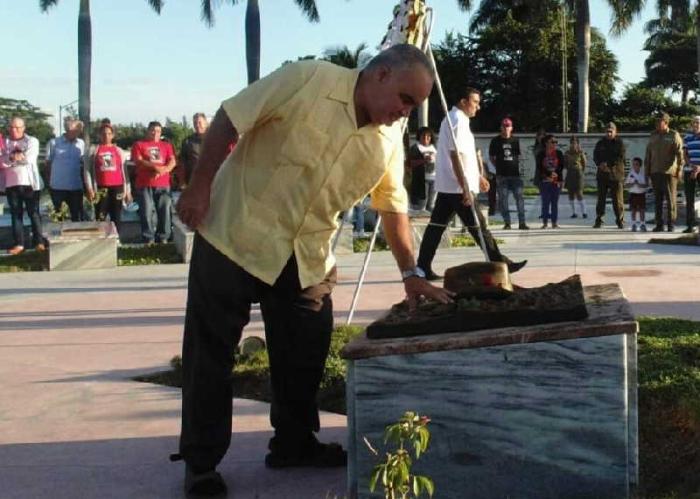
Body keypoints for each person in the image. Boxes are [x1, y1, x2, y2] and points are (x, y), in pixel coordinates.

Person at [173, 44, 453, 496]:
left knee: (305, 354)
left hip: (306, 258)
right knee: (210, 356)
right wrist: (199, 186)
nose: (405, 112)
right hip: (234, 236)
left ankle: (294, 444)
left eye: (412, 105)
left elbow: (392, 204)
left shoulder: (388, 139)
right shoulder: (307, 80)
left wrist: (410, 273)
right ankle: (201, 464)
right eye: (403, 99)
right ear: (379, 74)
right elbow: (230, 117)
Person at [416, 87, 527, 281]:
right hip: (458, 187)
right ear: (463, 101)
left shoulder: (458, 120)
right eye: (475, 102)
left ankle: (423, 266)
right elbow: (455, 156)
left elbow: (466, 155)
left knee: (436, 227)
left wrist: (478, 177)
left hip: (450, 186)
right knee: (478, 227)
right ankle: (501, 263)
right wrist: (466, 186)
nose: (478, 106)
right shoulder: (456, 120)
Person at [0, 117, 44, 254]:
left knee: (34, 213)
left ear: (24, 128)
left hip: (29, 183)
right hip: (11, 183)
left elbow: (29, 159)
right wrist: (13, 158)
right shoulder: (5, 142)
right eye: (12, 127)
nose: (15, 130)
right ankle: (19, 244)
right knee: (16, 214)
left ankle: (39, 242)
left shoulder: (31, 141)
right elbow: (2, 160)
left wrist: (12, 159)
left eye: (18, 127)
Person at [131, 121, 176, 244]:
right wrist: (154, 167)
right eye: (153, 130)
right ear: (148, 131)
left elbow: (172, 161)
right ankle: (148, 238)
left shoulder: (166, 145)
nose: (155, 133)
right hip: (145, 184)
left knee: (165, 210)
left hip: (163, 184)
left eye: (158, 131)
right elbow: (139, 161)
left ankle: (163, 237)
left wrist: (164, 169)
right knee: (146, 210)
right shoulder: (139, 144)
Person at [84, 123, 132, 233]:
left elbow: (124, 172)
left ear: (113, 135)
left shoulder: (119, 151)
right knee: (101, 214)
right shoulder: (93, 150)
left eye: (109, 134)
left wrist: (128, 191)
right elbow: (87, 171)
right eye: (103, 134)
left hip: (117, 187)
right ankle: (101, 239)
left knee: (116, 215)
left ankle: (116, 239)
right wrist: (90, 188)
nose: (106, 136)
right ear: (99, 135)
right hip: (100, 187)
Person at [645, 111, 684, 232]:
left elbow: (680, 154)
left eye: (659, 121)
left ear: (665, 122)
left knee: (670, 199)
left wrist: (679, 170)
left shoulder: (673, 135)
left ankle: (671, 223)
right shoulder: (653, 135)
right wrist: (647, 172)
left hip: (669, 173)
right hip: (655, 171)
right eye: (656, 121)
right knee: (657, 199)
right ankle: (659, 224)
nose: (657, 123)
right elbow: (648, 154)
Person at [489, 117, 528, 230]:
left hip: (515, 175)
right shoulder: (495, 141)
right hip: (502, 175)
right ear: (501, 127)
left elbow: (519, 157)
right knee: (503, 199)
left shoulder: (515, 141)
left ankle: (522, 223)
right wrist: (499, 166)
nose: (506, 128)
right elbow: (492, 157)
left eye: (508, 126)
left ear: (511, 128)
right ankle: (507, 223)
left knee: (519, 198)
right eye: (504, 126)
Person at [46, 118, 85, 221]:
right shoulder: (54, 143)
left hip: (76, 187)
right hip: (58, 187)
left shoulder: (81, 143)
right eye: (75, 130)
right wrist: (49, 183)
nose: (78, 132)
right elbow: (48, 164)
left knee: (76, 217)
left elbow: (83, 164)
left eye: (79, 130)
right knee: (59, 217)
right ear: (67, 129)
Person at [593, 122, 626, 229]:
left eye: (611, 131)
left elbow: (620, 157)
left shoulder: (619, 143)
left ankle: (620, 220)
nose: (609, 133)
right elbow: (595, 156)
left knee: (617, 200)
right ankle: (599, 219)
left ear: (615, 132)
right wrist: (600, 164)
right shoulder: (600, 143)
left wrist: (608, 164)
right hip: (602, 175)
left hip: (616, 175)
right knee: (601, 199)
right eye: (607, 131)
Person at [536, 134, 564, 229]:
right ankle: (544, 223)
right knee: (545, 202)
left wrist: (556, 174)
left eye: (556, 142)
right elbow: (539, 167)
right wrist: (549, 174)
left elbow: (561, 166)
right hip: (544, 181)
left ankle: (554, 222)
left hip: (556, 181)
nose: (554, 143)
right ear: (546, 143)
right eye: (552, 141)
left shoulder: (559, 153)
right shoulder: (541, 154)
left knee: (554, 203)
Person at [407, 126, 437, 212]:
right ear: (419, 136)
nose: (426, 138)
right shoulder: (415, 148)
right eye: (423, 136)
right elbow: (410, 163)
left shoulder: (434, 147)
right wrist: (424, 160)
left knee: (431, 204)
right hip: (421, 180)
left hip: (434, 179)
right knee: (420, 205)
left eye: (428, 136)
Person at [177, 113, 209, 189]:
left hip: (213, 180)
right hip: (193, 181)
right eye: (195, 123)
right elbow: (182, 163)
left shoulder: (215, 139)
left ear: (205, 123)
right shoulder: (187, 141)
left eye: (199, 122)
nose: (197, 125)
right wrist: (182, 182)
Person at [682, 116, 700, 233]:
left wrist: (699, 168)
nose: (696, 124)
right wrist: (692, 165)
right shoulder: (687, 137)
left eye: (698, 122)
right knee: (689, 198)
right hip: (689, 170)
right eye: (694, 122)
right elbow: (685, 154)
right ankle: (690, 225)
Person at [563, 136, 588, 218]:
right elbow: (565, 164)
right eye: (572, 143)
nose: (573, 144)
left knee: (579, 193)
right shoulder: (567, 153)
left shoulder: (581, 152)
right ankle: (574, 213)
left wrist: (580, 171)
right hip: (570, 173)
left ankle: (584, 212)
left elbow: (584, 164)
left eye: (575, 143)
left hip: (578, 173)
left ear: (577, 143)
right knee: (571, 193)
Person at [624, 157, 648, 232]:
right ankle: (633, 224)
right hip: (633, 194)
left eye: (636, 164)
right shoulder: (631, 174)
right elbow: (626, 185)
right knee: (633, 210)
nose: (635, 166)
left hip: (641, 194)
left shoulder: (643, 173)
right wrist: (632, 184)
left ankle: (642, 224)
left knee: (642, 210)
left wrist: (639, 184)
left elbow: (646, 185)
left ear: (640, 165)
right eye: (633, 164)